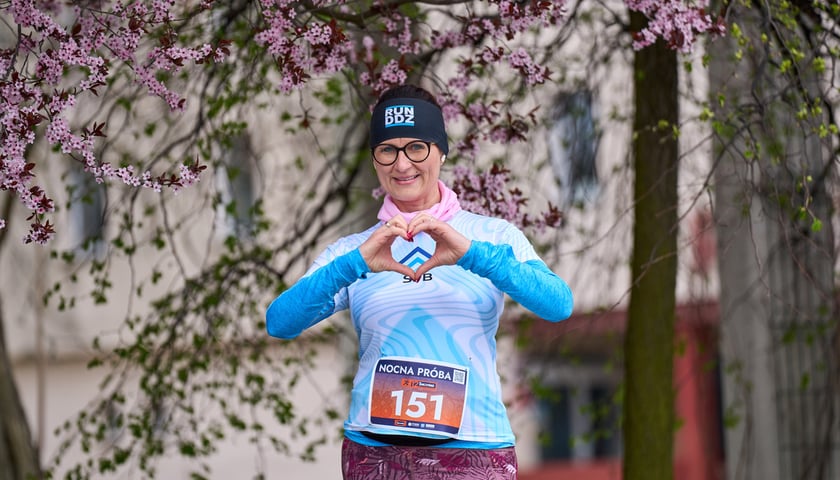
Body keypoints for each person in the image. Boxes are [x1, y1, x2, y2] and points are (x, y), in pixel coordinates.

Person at [266, 84, 573, 479]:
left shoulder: (492, 236)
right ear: (375, 160)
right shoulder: (356, 250)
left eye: (416, 147)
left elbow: (558, 304)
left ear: (441, 152)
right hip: (375, 452)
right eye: (388, 150)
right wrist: (355, 264)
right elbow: (280, 322)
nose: (402, 164)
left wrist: (472, 255)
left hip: (474, 449)